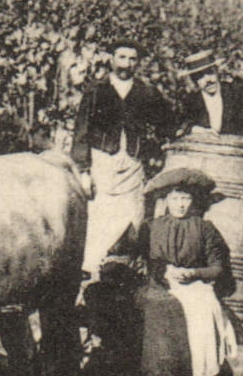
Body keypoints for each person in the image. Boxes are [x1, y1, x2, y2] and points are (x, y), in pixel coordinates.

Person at [110, 167, 238, 376]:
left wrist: (194, 274)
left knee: (202, 311)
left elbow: (218, 268)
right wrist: (159, 271)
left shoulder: (204, 228)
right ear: (166, 200)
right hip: (159, 283)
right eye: (176, 198)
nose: (181, 204)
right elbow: (135, 258)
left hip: (195, 286)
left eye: (186, 198)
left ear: (193, 200)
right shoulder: (151, 227)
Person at [70, 38, 174, 280]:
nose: (126, 63)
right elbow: (81, 132)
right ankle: (90, 279)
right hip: (102, 163)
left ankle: (123, 276)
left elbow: (166, 124)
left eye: (132, 58)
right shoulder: (96, 91)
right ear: (112, 59)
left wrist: (154, 152)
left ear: (138, 62)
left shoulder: (146, 92)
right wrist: (84, 171)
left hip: (133, 164)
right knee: (99, 220)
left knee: (133, 218)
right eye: (122, 57)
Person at [175, 48, 243, 137]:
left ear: (216, 71)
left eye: (210, 72)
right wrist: (196, 130)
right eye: (200, 76)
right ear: (194, 80)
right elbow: (180, 126)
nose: (208, 80)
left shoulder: (237, 93)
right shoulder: (191, 101)